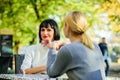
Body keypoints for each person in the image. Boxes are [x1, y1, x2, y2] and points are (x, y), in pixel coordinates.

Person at [45, 11, 106, 80]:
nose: (63, 28)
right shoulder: (94, 45)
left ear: (68, 27)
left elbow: (51, 73)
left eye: (64, 24)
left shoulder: (67, 50)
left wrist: (52, 49)